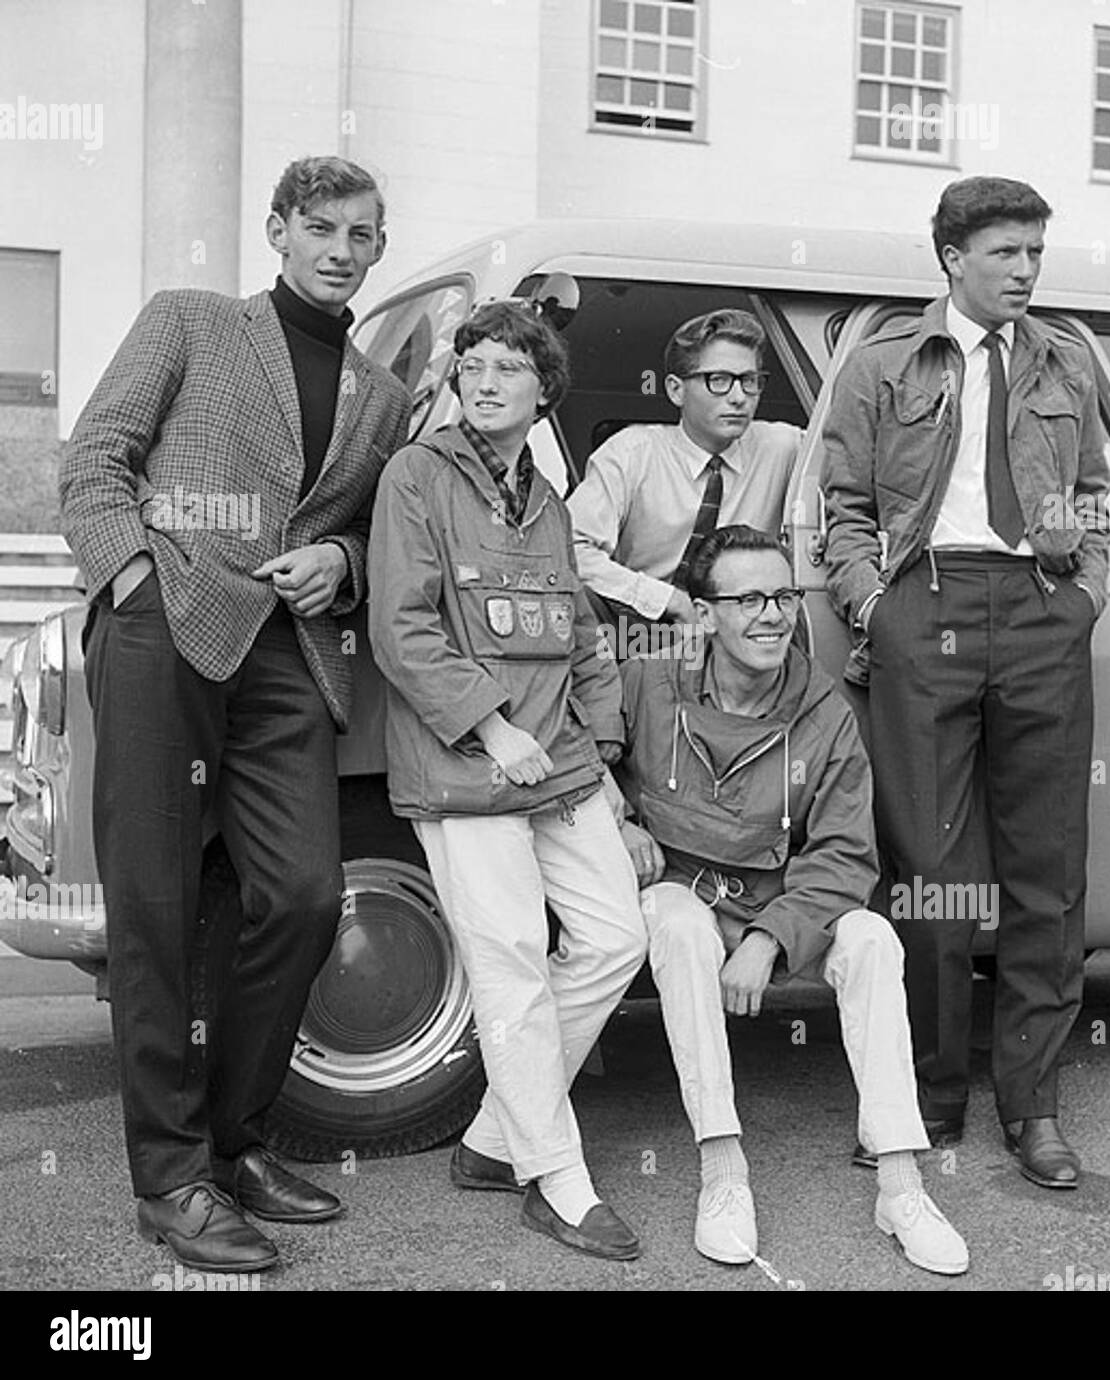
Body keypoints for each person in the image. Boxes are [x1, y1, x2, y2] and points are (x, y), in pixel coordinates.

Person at [59, 156, 411, 1272]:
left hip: (287, 656)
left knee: (304, 897)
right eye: (321, 227)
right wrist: (131, 582)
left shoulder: (384, 394)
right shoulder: (191, 321)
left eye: (362, 234)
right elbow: (95, 458)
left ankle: (233, 1141)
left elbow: (374, 530)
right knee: (155, 910)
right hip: (163, 628)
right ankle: (171, 1180)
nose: (340, 250)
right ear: (277, 229)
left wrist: (341, 562)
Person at [821, 176, 1110, 1189]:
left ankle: (1033, 1108)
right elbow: (845, 507)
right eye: (1005, 253)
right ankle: (927, 1098)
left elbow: (1090, 492)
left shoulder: (1065, 360)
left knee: (1047, 871)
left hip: (1040, 611)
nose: (1026, 270)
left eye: (1035, 252)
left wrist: (1083, 592)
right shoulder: (882, 362)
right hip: (926, 608)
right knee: (930, 872)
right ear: (952, 258)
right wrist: (876, 609)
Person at [367, 300, 647, 1261]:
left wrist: (600, 755)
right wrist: (491, 726)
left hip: (558, 762)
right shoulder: (416, 475)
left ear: (544, 390)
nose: (485, 383)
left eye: (508, 369)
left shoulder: (549, 501)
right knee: (515, 963)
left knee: (615, 937)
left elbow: (582, 636)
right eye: (473, 365)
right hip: (464, 766)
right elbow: (401, 628)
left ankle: (495, 1135)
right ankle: (556, 1180)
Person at [613, 524, 969, 1275]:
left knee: (873, 938)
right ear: (704, 614)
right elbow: (583, 746)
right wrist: (618, 817)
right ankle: (722, 1169)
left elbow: (846, 852)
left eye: (782, 596)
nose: (771, 615)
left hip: (782, 908)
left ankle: (901, 1182)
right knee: (677, 927)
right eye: (748, 600)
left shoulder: (824, 711)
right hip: (686, 895)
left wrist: (769, 937)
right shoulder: (647, 681)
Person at [567, 308, 800, 646]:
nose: (739, 397)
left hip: (732, 634)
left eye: (749, 381)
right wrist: (670, 601)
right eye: (718, 380)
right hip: (637, 627)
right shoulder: (631, 454)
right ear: (676, 390)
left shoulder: (784, 447)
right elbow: (571, 550)